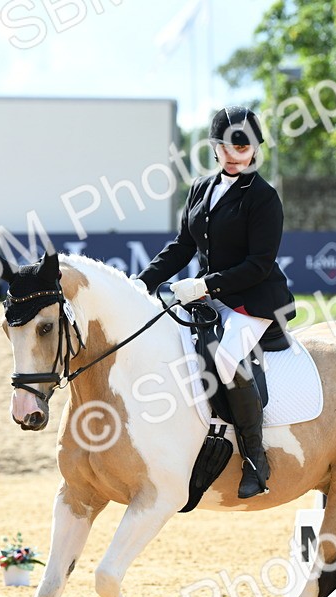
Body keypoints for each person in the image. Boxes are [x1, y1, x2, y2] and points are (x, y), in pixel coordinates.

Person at [136, 105, 295, 499]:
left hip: (253, 302)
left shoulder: (263, 197)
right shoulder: (201, 189)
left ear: (255, 148)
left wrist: (205, 285)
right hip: (209, 298)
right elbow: (181, 247)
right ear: (215, 147)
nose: (234, 152)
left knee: (225, 360)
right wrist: (140, 284)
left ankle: (256, 460)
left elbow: (258, 265)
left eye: (243, 144)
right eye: (225, 144)